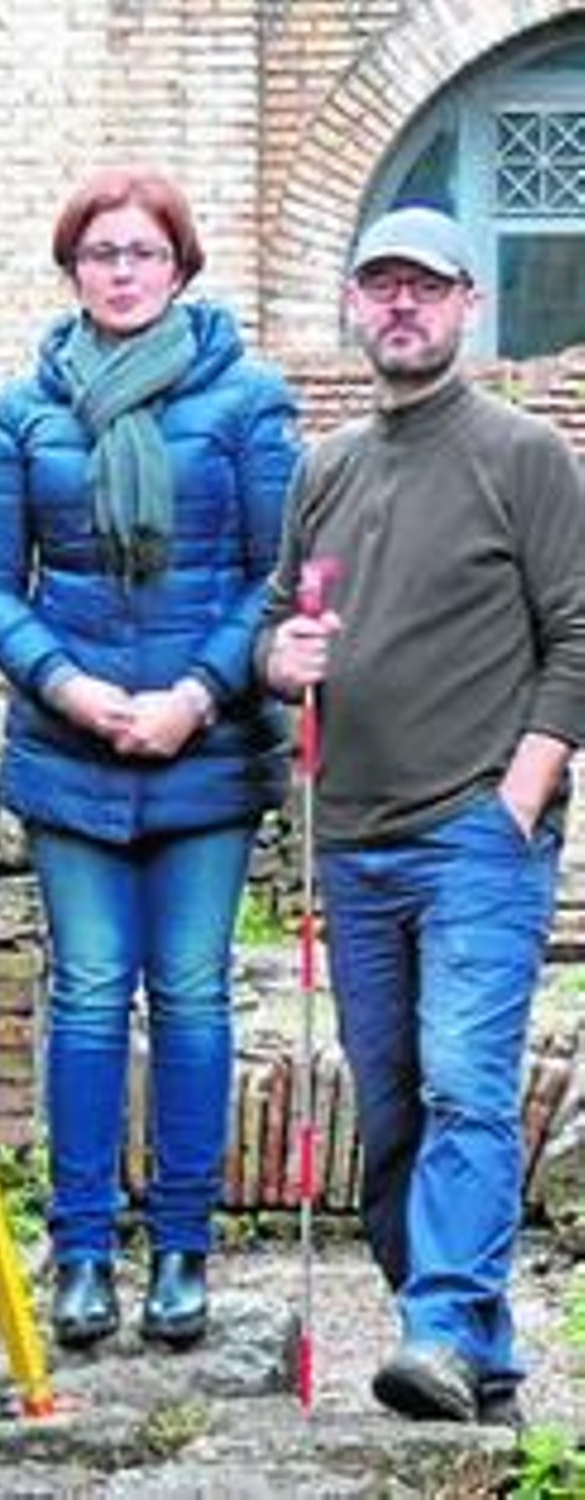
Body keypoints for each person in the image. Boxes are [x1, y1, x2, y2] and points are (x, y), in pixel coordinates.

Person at [0, 165, 300, 1352]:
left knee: (194, 992)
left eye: (142, 252)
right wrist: (69, 687)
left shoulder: (248, 401)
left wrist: (194, 695)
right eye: (99, 253)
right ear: (71, 270)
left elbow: (274, 575)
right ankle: (81, 1254)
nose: (120, 272)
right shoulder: (24, 412)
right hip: (73, 748)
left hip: (205, 749)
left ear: (180, 266)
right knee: (90, 992)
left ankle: (183, 1252)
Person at [258, 205, 585, 1426]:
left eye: (426, 287)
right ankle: (471, 1357)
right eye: (381, 285)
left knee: (462, 1082)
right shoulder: (325, 468)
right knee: (390, 1107)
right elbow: (275, 623)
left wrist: (521, 794)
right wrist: (276, 657)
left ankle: (438, 1324)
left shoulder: (524, 455)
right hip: (353, 839)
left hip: (475, 836)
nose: (402, 305)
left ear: (466, 306)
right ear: (353, 304)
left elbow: (578, 634)